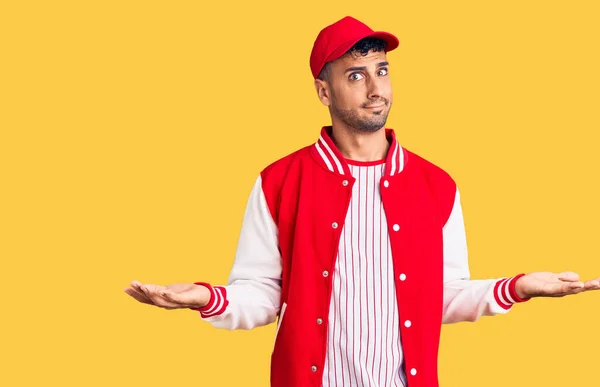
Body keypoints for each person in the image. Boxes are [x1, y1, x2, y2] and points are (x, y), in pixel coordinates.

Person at [124, 16, 600, 387]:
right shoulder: (279, 182)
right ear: (324, 91)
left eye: (382, 71)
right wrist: (206, 298)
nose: (377, 90)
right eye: (356, 75)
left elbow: (442, 296)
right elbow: (265, 296)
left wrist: (517, 287)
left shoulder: (437, 186)